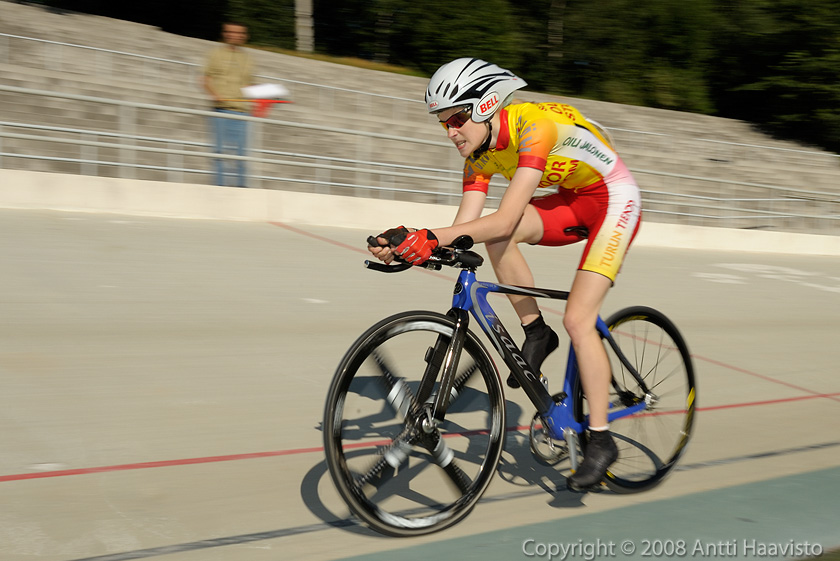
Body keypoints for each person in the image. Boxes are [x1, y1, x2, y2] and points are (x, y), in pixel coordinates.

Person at [368, 58, 642, 492]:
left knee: (577, 318)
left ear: (487, 105)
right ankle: (536, 331)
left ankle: (603, 440)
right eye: (444, 123)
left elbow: (506, 216)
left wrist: (427, 236)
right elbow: (466, 229)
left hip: (615, 199)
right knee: (495, 237)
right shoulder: (478, 156)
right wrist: (410, 247)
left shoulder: (532, 127)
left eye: (457, 118)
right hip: (572, 199)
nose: (451, 131)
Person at [201, 22, 255, 188]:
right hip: (221, 110)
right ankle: (220, 187)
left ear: (244, 36)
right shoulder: (215, 54)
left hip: (242, 111)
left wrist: (265, 97)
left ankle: (241, 189)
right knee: (219, 152)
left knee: (241, 154)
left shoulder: (247, 58)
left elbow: (249, 86)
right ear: (225, 33)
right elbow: (205, 79)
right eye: (230, 32)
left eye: (239, 33)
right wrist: (215, 95)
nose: (234, 35)